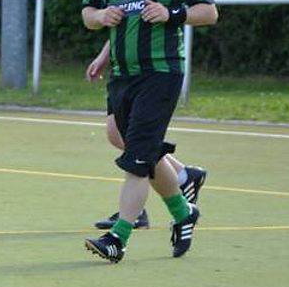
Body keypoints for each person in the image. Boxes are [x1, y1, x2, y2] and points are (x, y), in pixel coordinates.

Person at [80, 0, 218, 263]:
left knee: (138, 158)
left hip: (160, 73)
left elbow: (209, 12)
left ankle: (118, 238)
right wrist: (101, 19)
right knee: (143, 150)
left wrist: (173, 14)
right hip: (122, 76)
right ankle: (183, 210)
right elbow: (89, 13)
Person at [85, 40, 208, 230]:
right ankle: (182, 175)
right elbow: (123, 24)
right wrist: (105, 55)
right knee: (116, 133)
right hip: (123, 69)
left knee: (133, 141)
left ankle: (135, 213)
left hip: (147, 70)